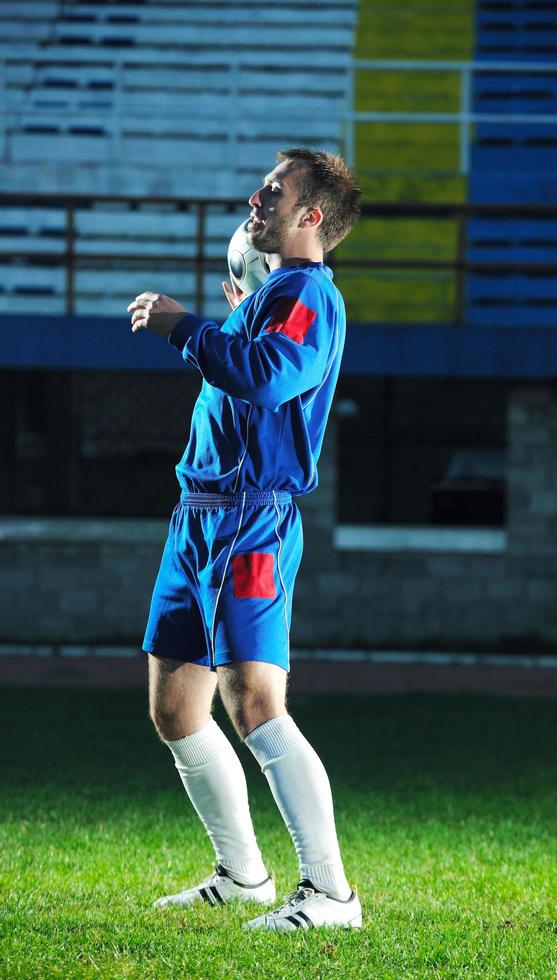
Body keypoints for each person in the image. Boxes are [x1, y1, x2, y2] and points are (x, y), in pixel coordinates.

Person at [127, 147, 362, 932]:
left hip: (247, 521)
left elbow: (266, 376)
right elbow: (249, 366)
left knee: (255, 703)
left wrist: (181, 327)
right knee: (175, 708)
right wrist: (230, 318)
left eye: (275, 189)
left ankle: (330, 893)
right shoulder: (270, 292)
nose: (255, 196)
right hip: (195, 516)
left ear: (311, 216)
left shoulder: (306, 293)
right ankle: (243, 876)